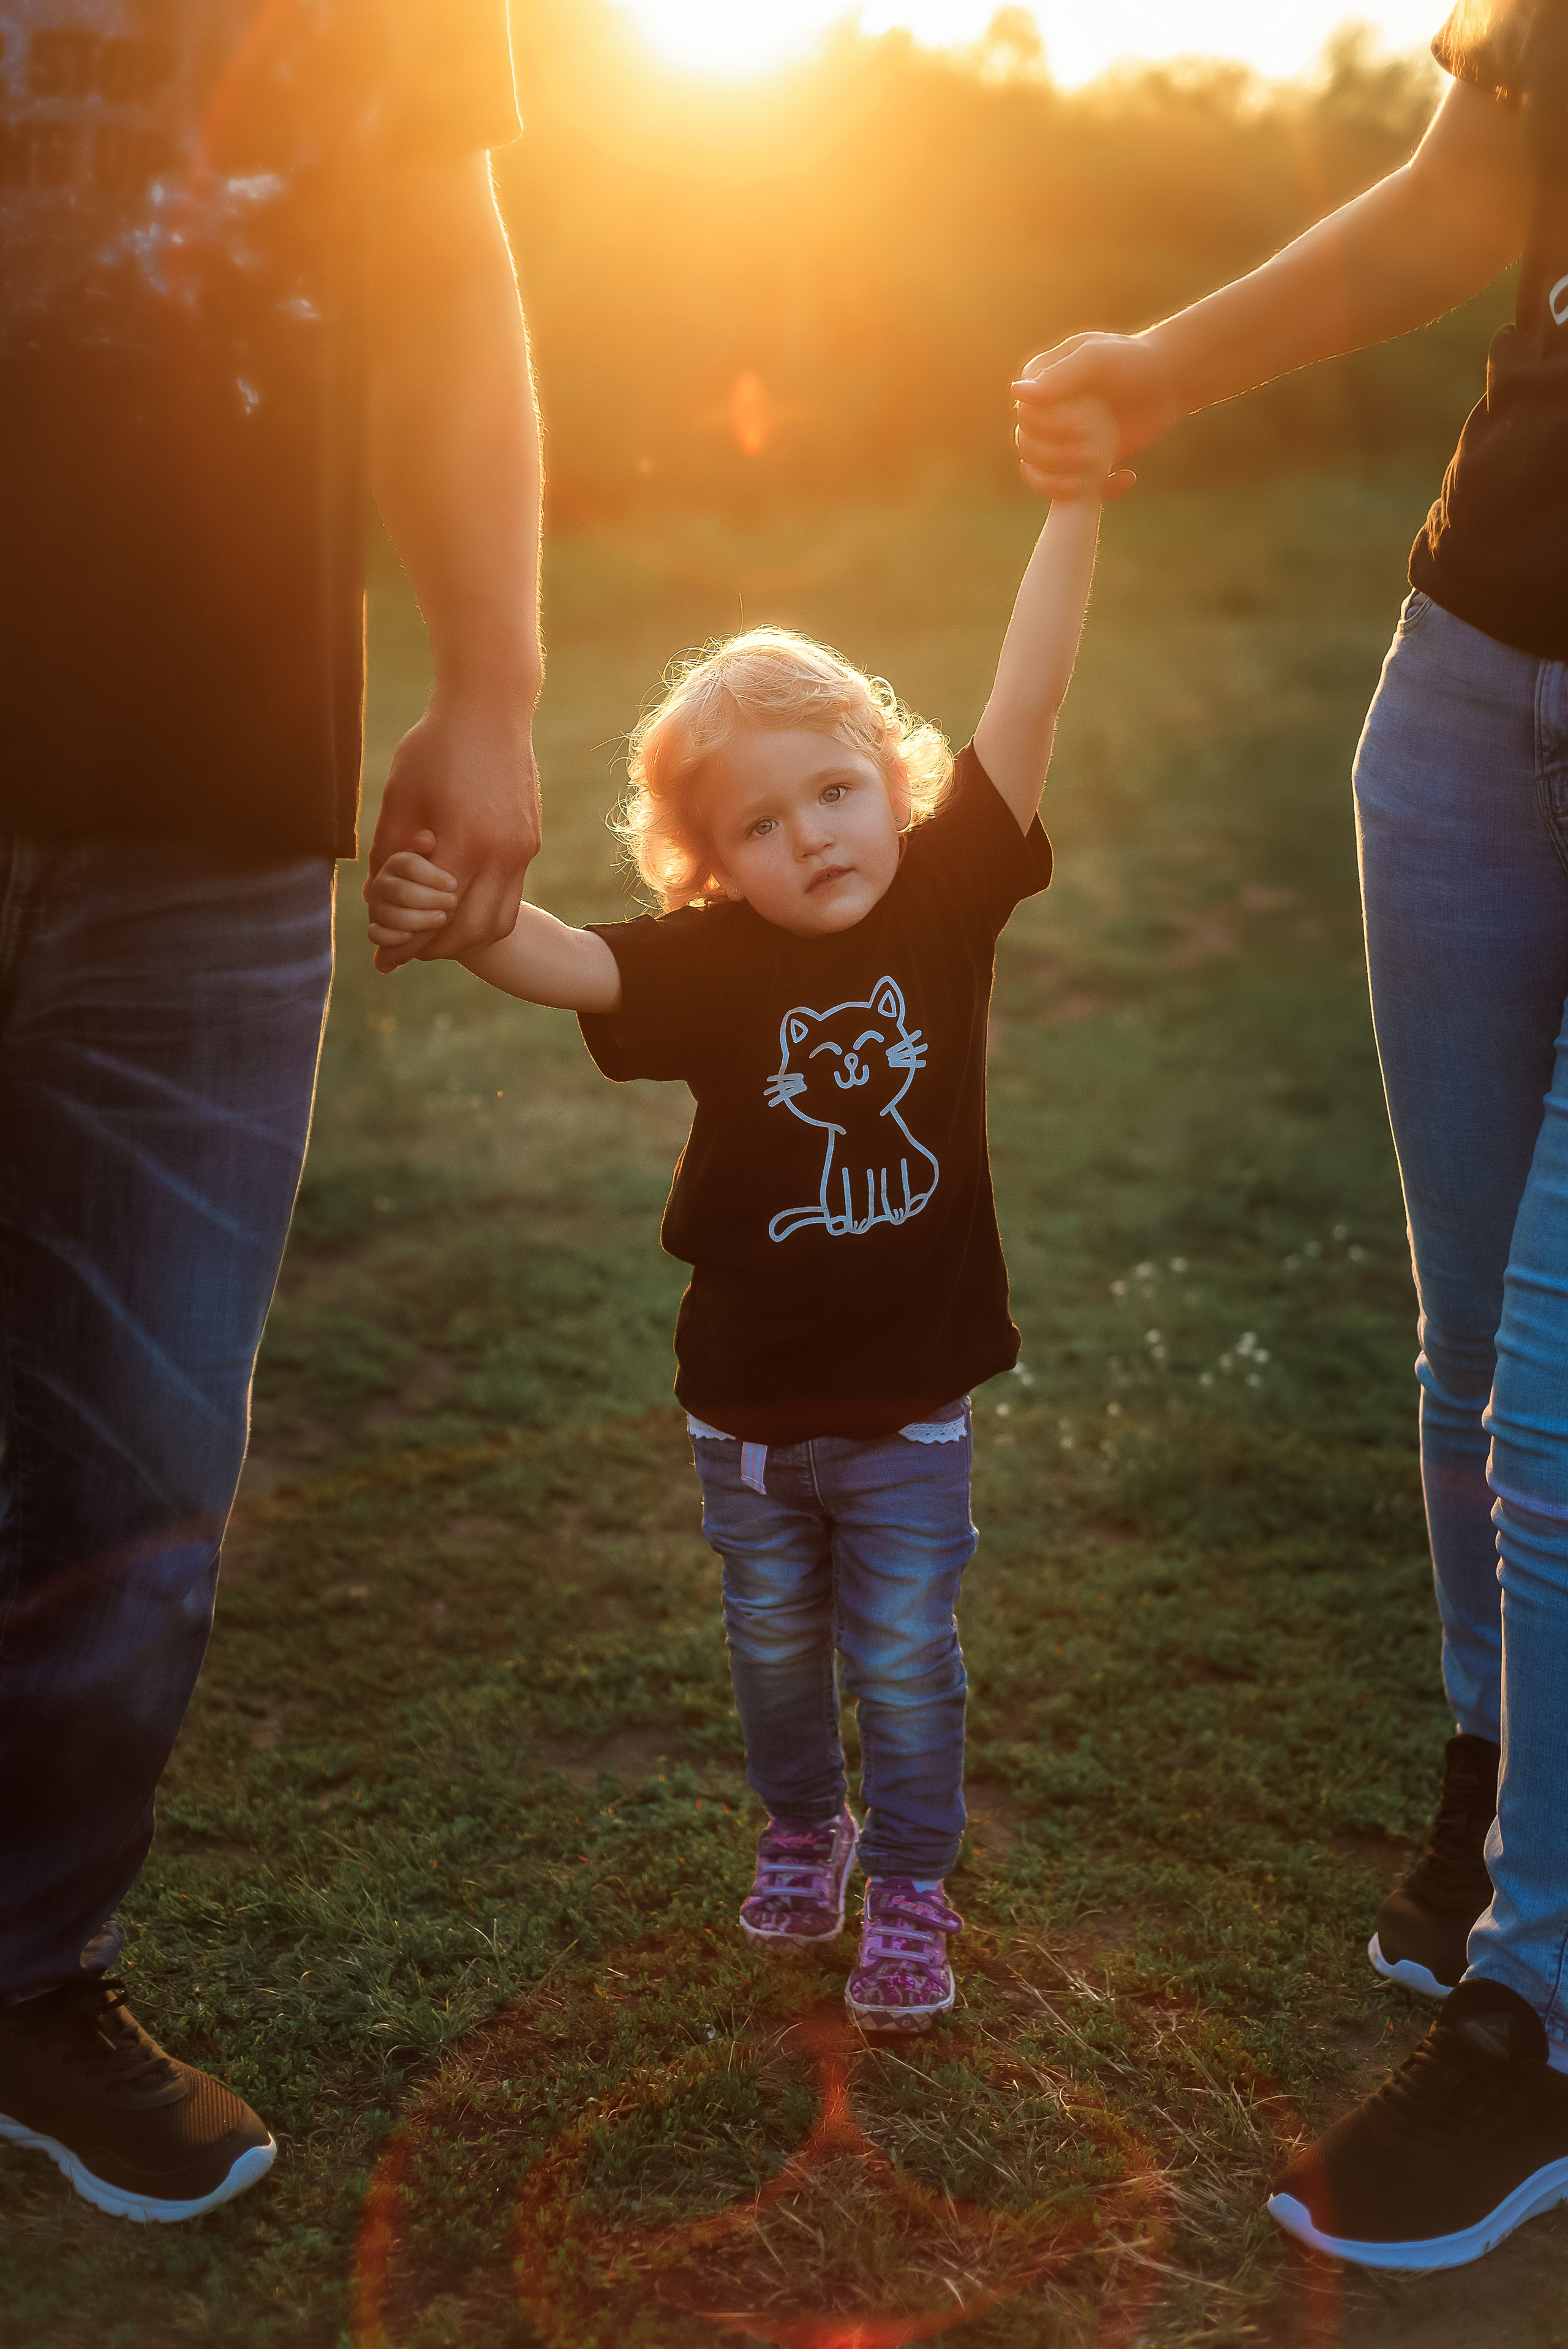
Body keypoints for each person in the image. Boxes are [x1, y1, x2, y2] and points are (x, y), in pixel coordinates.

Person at [1014, 0, 1568, 2275]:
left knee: (1553, 1382)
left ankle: (1541, 2013)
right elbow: (1475, 187)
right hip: (1464, 688)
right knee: (1461, 1348)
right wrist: (1156, 361)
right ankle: (1492, 1770)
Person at [367, 398, 1120, 2033]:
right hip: (751, 1407)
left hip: (913, 1403)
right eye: (759, 828)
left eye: (835, 792)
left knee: (907, 1659)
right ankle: (805, 1826)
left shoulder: (943, 888)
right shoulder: (717, 966)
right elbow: (573, 958)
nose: (811, 839)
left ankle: (912, 1887)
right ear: (713, 865)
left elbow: (1033, 692)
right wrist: (454, 916)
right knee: (778, 1654)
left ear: (891, 782)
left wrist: (1076, 509)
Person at [0, 1, 541, 2224]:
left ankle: (35, 1978)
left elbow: (442, 268)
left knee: (139, 1463)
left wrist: (492, 681)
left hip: (212, 804)